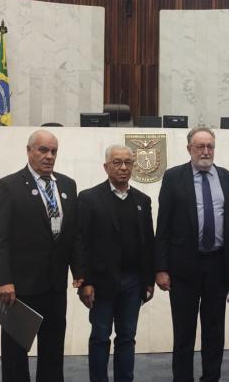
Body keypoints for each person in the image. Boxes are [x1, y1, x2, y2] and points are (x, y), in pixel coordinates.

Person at [0, 130, 84, 382]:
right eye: (43, 150)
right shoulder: (9, 186)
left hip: (55, 285)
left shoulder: (67, 185)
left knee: (53, 349)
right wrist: (4, 281)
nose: (49, 156)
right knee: (15, 351)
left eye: (53, 151)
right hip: (20, 288)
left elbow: (73, 234)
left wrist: (79, 272)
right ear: (29, 151)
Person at [154, 127, 229, 382]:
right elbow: (163, 226)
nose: (205, 151)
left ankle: (210, 377)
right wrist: (161, 268)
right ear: (189, 148)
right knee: (184, 332)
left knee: (215, 331)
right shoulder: (173, 177)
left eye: (210, 146)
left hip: (218, 266)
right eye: (200, 146)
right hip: (183, 269)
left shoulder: (228, 179)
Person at [78, 145, 155, 382]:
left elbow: (148, 243)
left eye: (128, 163)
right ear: (106, 167)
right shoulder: (89, 198)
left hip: (133, 283)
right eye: (117, 163)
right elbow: (81, 242)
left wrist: (149, 281)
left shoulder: (143, 200)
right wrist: (85, 282)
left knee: (127, 337)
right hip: (101, 283)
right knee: (100, 337)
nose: (123, 168)